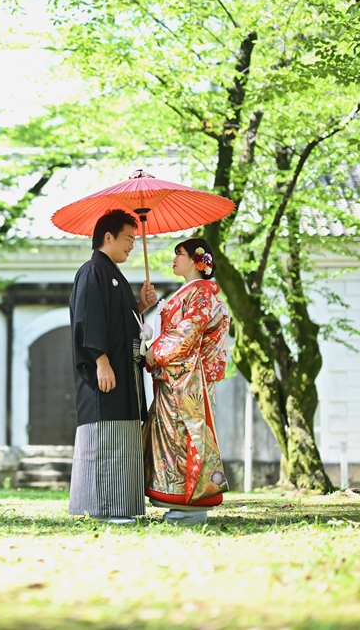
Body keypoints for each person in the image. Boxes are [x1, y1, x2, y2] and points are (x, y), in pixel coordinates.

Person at [68, 209, 157, 525]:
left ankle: (120, 505)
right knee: (106, 436)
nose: (132, 246)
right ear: (109, 237)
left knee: (123, 435)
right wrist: (101, 361)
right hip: (107, 372)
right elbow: (90, 320)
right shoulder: (93, 271)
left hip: (124, 375)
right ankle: (105, 507)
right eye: (128, 238)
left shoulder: (113, 274)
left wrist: (141, 306)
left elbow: (120, 322)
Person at [143, 238, 231, 525]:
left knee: (185, 438)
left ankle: (189, 500)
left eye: (178, 254)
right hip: (177, 378)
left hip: (189, 380)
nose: (174, 258)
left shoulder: (203, 294)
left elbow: (188, 333)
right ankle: (175, 498)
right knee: (173, 438)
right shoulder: (191, 292)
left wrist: (155, 351)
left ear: (197, 260)